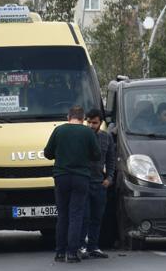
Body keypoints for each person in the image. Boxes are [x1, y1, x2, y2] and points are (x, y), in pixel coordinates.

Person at [44, 105, 101, 263]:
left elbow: (48, 153)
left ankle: (60, 253)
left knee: (62, 215)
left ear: (68, 117)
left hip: (61, 177)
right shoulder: (88, 132)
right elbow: (96, 155)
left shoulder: (59, 130)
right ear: (83, 119)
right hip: (81, 178)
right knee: (76, 215)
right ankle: (72, 253)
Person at [78, 109, 116, 259]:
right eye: (89, 122)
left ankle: (93, 246)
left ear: (100, 123)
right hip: (84, 182)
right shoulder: (81, 137)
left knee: (97, 217)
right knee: (84, 216)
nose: (91, 125)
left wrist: (109, 178)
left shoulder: (106, 138)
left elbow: (111, 160)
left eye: (94, 122)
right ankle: (81, 246)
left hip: (100, 183)